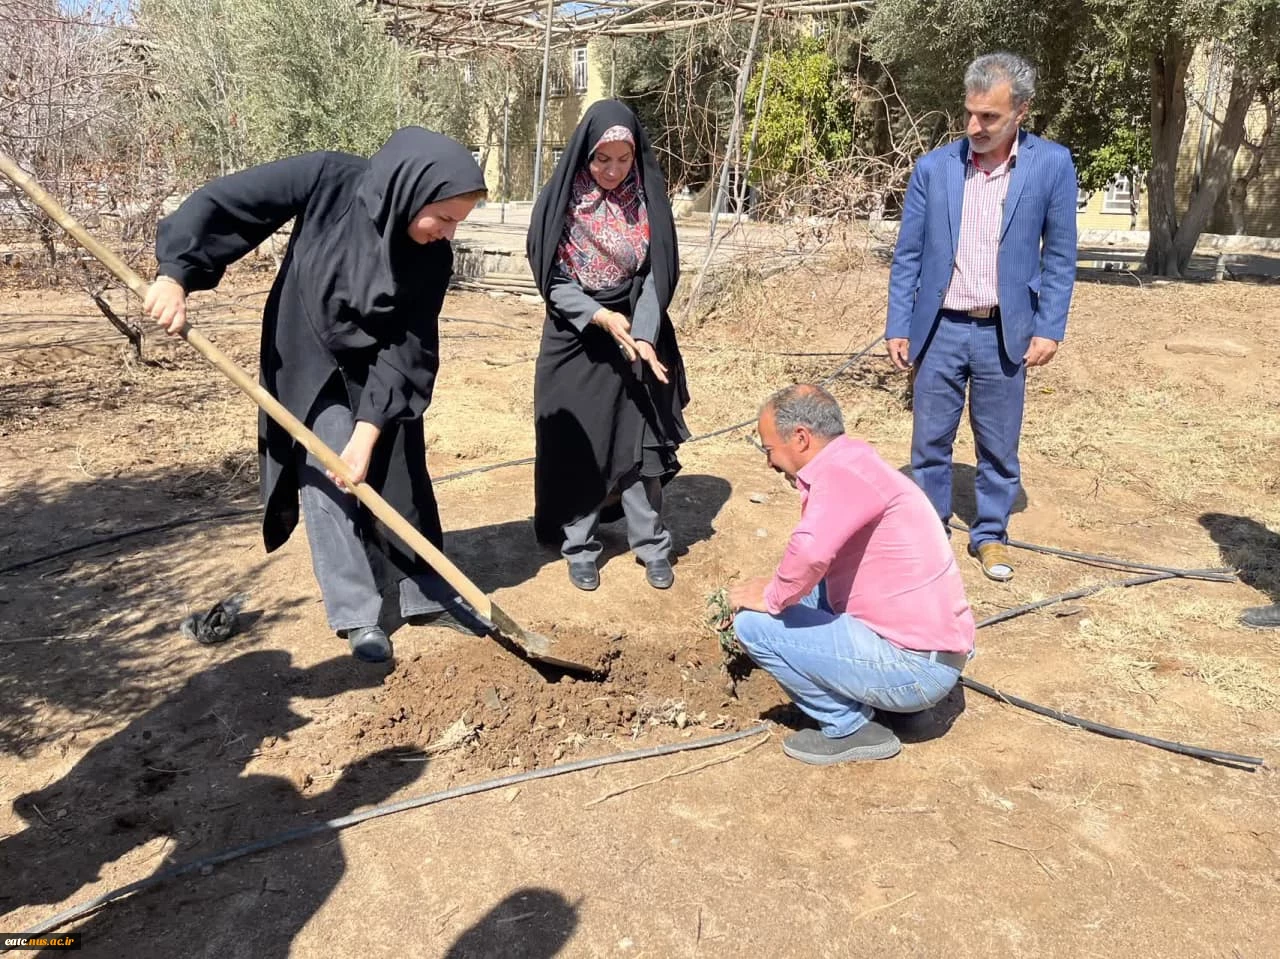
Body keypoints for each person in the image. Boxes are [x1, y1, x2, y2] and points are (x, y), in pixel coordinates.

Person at [144, 128, 489, 663]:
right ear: (410, 193)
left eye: (457, 223)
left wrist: (368, 434)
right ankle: (357, 613)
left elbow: (409, 349)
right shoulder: (329, 178)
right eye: (443, 218)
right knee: (325, 473)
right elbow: (230, 204)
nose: (448, 232)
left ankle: (428, 594)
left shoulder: (431, 257)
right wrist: (175, 275)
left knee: (400, 473)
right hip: (306, 346)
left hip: (380, 363)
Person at [885, 52, 1078, 583]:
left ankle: (990, 533)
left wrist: (1049, 327)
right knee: (930, 442)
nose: (975, 126)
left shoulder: (1051, 165)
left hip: (1004, 331)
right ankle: (930, 533)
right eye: (969, 113)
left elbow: (1061, 255)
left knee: (997, 443)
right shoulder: (934, 169)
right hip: (939, 328)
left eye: (989, 116)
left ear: (1021, 111)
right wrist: (899, 324)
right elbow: (908, 254)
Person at [728, 385, 976, 766]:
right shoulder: (856, 461)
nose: (769, 463)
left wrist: (770, 596)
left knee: (754, 625)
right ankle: (901, 711)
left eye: (769, 450)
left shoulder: (839, 476)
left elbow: (809, 552)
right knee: (811, 592)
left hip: (916, 669)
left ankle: (849, 726)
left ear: (800, 438)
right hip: (935, 655)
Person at [527, 99, 690, 593]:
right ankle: (579, 547)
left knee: (641, 444)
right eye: (602, 159)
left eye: (623, 159)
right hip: (575, 336)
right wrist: (599, 316)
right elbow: (552, 280)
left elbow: (657, 273)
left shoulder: (646, 199)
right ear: (584, 154)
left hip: (637, 330)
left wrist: (643, 335)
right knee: (578, 445)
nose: (614, 171)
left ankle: (651, 544)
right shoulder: (561, 202)